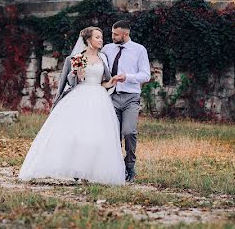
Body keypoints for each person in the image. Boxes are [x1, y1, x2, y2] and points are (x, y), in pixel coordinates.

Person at [18, 26, 127, 185]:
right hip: (80, 97)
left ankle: (89, 171)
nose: (101, 40)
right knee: (75, 134)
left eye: (101, 37)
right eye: (97, 37)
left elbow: (104, 82)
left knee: (96, 135)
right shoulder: (77, 58)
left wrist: (113, 81)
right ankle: (73, 169)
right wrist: (76, 74)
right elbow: (70, 82)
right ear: (89, 40)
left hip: (99, 98)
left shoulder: (102, 58)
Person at [101, 20, 150, 182]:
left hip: (130, 98)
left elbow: (146, 75)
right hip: (111, 96)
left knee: (129, 132)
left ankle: (130, 166)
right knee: (113, 135)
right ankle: (115, 169)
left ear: (125, 34)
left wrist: (127, 77)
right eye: (112, 33)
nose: (112, 36)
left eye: (116, 34)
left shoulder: (139, 50)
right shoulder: (107, 49)